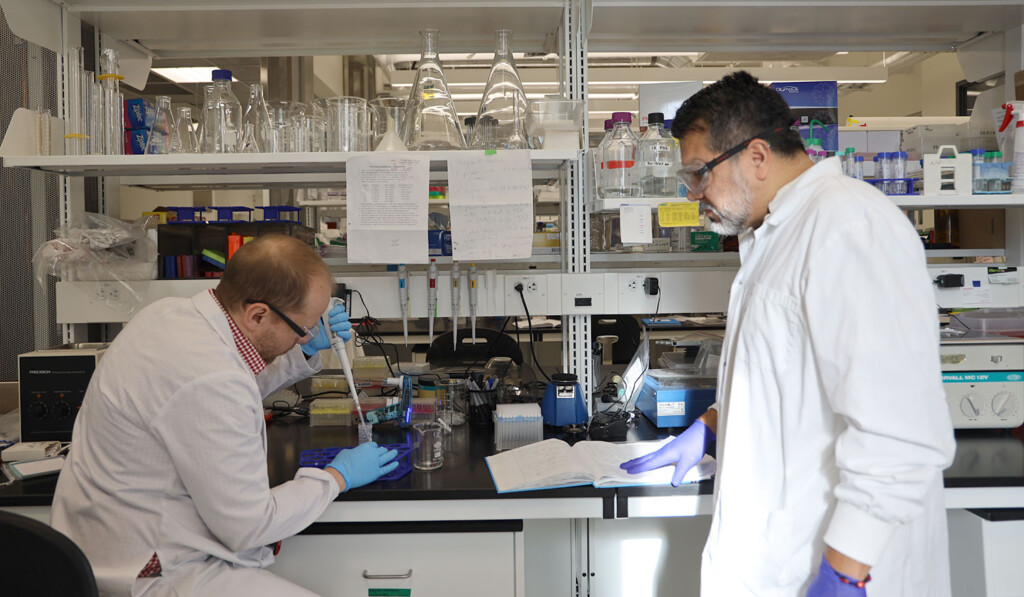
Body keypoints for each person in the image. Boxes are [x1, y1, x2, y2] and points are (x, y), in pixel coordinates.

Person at [621, 72, 955, 596]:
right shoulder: (775, 234)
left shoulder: (849, 230)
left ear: (756, 156)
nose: (693, 193)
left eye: (699, 173)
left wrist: (843, 574)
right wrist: (713, 423)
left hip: (842, 567)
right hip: (777, 558)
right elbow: (789, 372)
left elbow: (899, 434)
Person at [53, 234, 398, 596]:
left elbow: (224, 386)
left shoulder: (170, 314)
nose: (305, 336)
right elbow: (249, 525)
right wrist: (335, 478)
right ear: (258, 315)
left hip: (105, 539)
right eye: (303, 330)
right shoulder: (211, 377)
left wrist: (303, 351)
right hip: (151, 570)